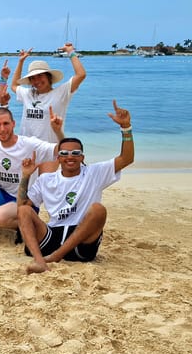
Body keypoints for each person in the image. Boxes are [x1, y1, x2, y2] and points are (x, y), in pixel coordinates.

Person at [17, 101, 134, 274]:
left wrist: (126, 127)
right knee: (23, 211)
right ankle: (40, 261)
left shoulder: (94, 172)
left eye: (75, 153)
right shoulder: (46, 179)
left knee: (98, 209)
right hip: (52, 236)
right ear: (58, 157)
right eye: (64, 153)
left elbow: (126, 158)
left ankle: (56, 256)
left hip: (82, 240)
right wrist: (26, 176)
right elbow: (22, 206)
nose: (70, 156)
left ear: (82, 157)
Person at [0, 107, 63, 238]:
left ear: (13, 124)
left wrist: (58, 131)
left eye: (6, 123)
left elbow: (60, 150)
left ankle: (26, 225)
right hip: (3, 195)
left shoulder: (29, 143)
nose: (2, 129)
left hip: (25, 202)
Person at [10, 44, 86, 142]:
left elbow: (81, 75)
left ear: (48, 76)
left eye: (40, 76)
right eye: (32, 78)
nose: (36, 80)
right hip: (26, 148)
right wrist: (21, 61)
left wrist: (70, 52)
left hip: (51, 148)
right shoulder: (28, 94)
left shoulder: (61, 93)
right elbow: (14, 85)